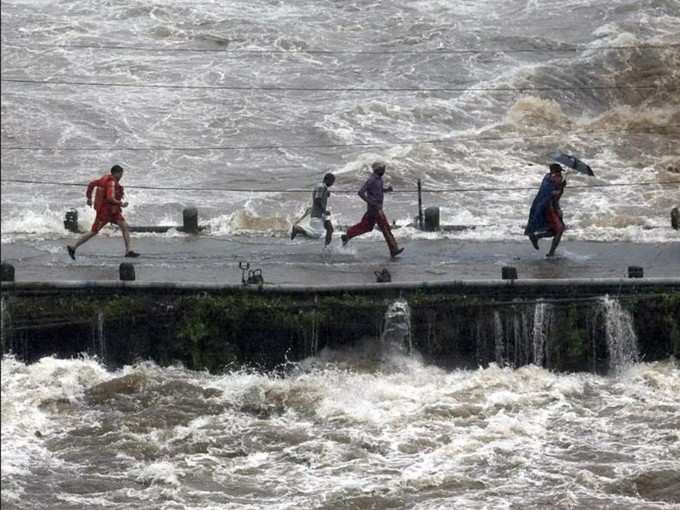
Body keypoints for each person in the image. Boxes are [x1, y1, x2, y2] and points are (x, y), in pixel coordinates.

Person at [66, 164, 139, 260]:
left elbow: (92, 184)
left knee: (125, 226)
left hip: (113, 212)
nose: (121, 177)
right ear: (117, 173)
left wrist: (89, 197)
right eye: (121, 174)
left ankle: (128, 251)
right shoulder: (111, 183)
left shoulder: (103, 179)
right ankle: (73, 247)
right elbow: (110, 198)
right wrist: (121, 204)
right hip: (106, 213)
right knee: (94, 231)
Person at [341, 161, 404, 258]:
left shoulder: (379, 179)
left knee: (367, 227)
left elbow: (378, 190)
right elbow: (361, 192)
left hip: (375, 209)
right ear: (377, 169)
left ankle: (348, 235)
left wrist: (387, 190)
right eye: (383, 169)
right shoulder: (371, 179)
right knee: (386, 228)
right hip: (375, 209)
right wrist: (370, 202)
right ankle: (393, 249)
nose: (384, 170)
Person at [525, 163, 567, 257]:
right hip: (549, 209)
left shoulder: (547, 178)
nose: (560, 174)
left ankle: (537, 237)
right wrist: (561, 188)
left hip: (543, 207)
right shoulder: (554, 180)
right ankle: (551, 253)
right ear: (554, 172)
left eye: (560, 172)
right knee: (559, 230)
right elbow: (553, 196)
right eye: (558, 172)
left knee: (555, 231)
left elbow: (551, 195)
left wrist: (561, 187)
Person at [291, 172, 336, 245]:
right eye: (332, 181)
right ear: (327, 180)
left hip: (321, 214)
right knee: (316, 235)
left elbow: (320, 197)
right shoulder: (321, 187)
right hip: (318, 213)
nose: (332, 183)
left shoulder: (323, 187)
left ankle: (326, 248)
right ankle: (297, 229)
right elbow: (317, 199)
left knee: (330, 229)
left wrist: (326, 193)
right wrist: (324, 211)